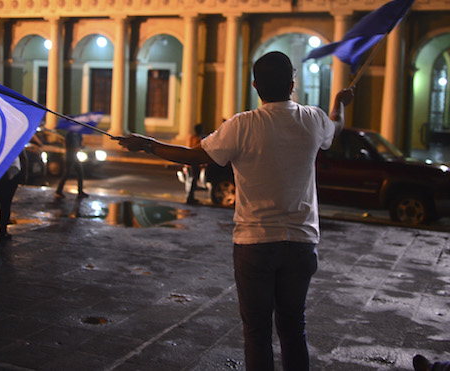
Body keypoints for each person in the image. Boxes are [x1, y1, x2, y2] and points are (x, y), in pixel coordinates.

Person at [115, 51, 353, 371]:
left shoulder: (241, 125)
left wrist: (147, 144)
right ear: (292, 84)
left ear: (256, 86)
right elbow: (336, 127)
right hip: (301, 242)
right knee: (294, 329)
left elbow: (195, 156)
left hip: (254, 243)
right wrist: (339, 103)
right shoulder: (313, 119)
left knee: (256, 333)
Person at [55, 130, 87, 199]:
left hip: (75, 156)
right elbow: (66, 146)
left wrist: (81, 147)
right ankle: (58, 191)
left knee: (80, 173)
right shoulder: (69, 134)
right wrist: (75, 149)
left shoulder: (79, 134)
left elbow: (80, 144)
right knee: (67, 174)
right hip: (69, 156)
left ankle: (80, 191)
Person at [185, 123, 205, 204]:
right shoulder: (198, 139)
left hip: (189, 161)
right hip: (195, 162)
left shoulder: (191, 137)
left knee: (190, 180)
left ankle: (190, 197)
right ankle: (190, 197)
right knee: (194, 180)